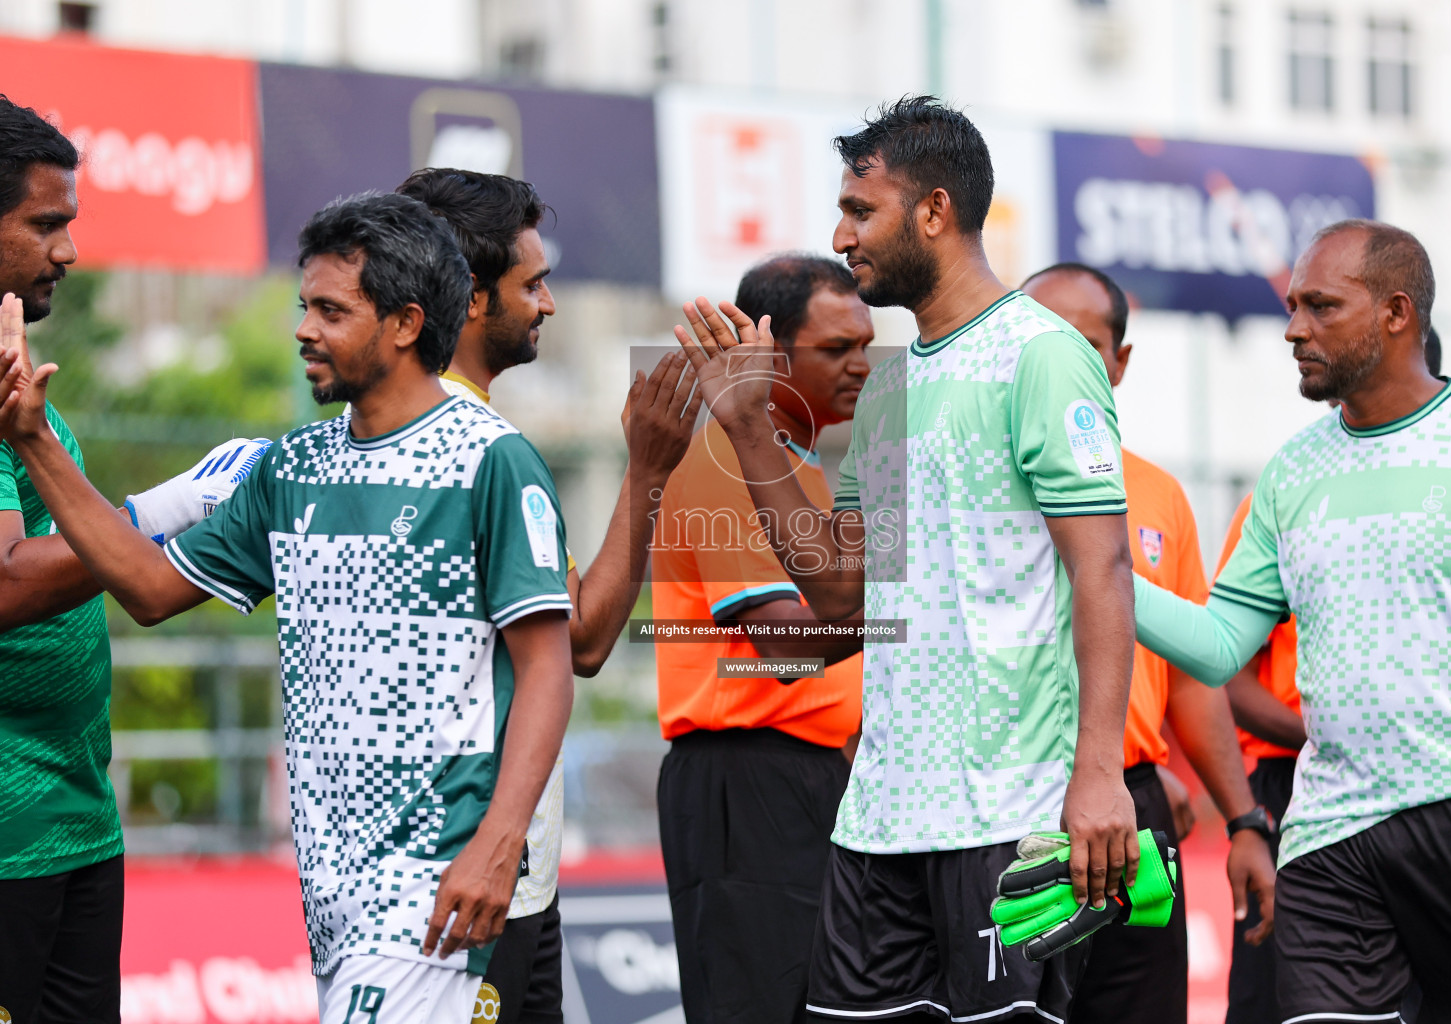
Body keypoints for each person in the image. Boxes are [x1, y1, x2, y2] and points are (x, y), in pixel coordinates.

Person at [0, 191, 577, 1024]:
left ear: (406, 323)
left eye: (331, 311)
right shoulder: (294, 466)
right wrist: (33, 441)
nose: (304, 329)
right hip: (330, 890)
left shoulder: (491, 461)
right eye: (304, 305)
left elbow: (549, 670)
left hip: (435, 882)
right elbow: (149, 588)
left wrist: (497, 846)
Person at [674, 96, 1138, 1023]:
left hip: (1009, 816)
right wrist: (747, 432)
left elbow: (1104, 570)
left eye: (860, 211)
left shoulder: (1042, 357)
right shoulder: (888, 394)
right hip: (878, 820)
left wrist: (1098, 772)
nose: (842, 235)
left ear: (933, 211)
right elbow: (842, 597)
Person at [1130, 219, 1451, 1021]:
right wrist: (1101, 575)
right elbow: (1217, 650)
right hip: (1330, 839)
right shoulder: (1291, 471)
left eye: (1320, 306)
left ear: (1395, 312)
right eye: (1292, 306)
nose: (1293, 329)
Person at [396, 167, 702, 1024]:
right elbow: (587, 644)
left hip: (504, 872)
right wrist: (647, 469)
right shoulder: (476, 450)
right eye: (533, 284)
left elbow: (576, 640)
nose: (550, 305)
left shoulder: (451, 436)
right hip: (475, 873)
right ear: (467, 296)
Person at [0, 95, 265, 1022]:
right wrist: (166, 509)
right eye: (45, 224)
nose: (67, 251)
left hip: (76, 818)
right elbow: (0, 585)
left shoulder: (16, 364)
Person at [1019, 263, 1275, 1024]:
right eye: (1039, 344)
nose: (1060, 362)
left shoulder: (1159, 494)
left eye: (1084, 344)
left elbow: (1192, 677)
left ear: (1120, 363)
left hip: (1133, 808)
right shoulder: (975, 477)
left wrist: (1241, 819)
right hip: (1009, 803)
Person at [650, 254, 870, 1024]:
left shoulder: (799, 474)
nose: (863, 365)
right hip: (746, 785)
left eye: (867, 345)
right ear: (771, 356)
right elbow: (789, 649)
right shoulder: (721, 463)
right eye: (837, 348)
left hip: (812, 778)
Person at [1219, 326, 1445, 1024]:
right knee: (1278, 999)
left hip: (1444, 792)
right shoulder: (1283, 493)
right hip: (1297, 788)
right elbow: (1223, 669)